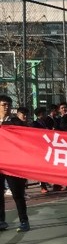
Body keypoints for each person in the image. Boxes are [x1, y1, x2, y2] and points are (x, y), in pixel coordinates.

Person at [0, 94, 31, 232]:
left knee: (17, 193)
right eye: (3, 105)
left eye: (8, 105)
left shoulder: (16, 123)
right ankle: (1, 221)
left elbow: (26, 137)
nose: (6, 107)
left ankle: (24, 221)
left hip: (12, 163)